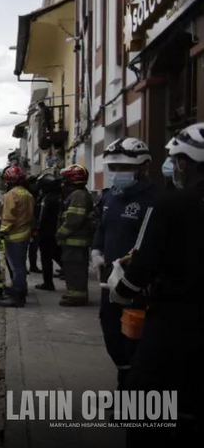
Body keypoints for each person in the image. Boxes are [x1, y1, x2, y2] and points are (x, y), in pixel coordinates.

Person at [111, 123, 203, 447]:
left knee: (148, 403)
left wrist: (122, 291)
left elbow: (143, 264)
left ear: (184, 162)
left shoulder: (169, 204)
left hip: (174, 321)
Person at [90, 138, 154, 393]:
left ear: (143, 168)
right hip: (110, 282)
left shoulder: (156, 201)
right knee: (111, 330)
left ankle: (131, 390)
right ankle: (124, 377)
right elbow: (102, 229)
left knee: (136, 338)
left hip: (139, 285)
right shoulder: (110, 198)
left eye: (123, 169)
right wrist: (96, 252)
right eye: (113, 168)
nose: (117, 174)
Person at [0, 165, 36, 308]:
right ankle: (19, 292)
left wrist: (2, 231)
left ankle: (17, 297)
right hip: (24, 233)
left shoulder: (11, 194)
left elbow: (8, 216)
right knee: (20, 266)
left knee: (17, 268)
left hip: (14, 236)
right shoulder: (28, 193)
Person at [56, 164, 94, 306]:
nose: (63, 182)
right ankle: (72, 292)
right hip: (74, 240)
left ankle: (78, 296)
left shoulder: (78, 195)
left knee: (75, 269)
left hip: (75, 240)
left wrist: (60, 233)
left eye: (65, 179)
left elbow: (74, 220)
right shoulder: (79, 193)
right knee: (71, 268)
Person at [34, 173, 63, 290]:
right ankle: (67, 272)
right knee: (56, 254)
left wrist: (37, 229)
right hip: (53, 232)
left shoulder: (48, 198)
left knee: (46, 258)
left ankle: (48, 283)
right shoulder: (57, 196)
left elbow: (41, 216)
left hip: (47, 233)